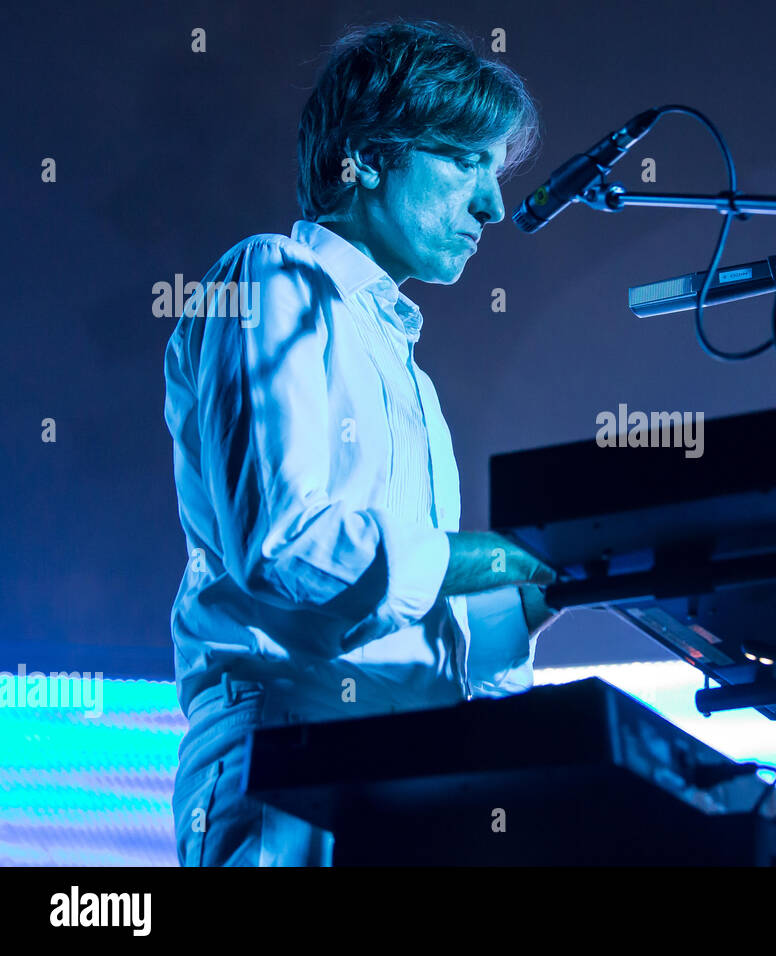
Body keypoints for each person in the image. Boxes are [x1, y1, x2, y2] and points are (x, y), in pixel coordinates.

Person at [162, 19, 555, 866]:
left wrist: (526, 599)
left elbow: (429, 633)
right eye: (466, 162)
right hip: (293, 759)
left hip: (412, 771)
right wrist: (475, 558)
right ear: (368, 157)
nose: (492, 204)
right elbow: (285, 543)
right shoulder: (269, 277)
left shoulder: (416, 383)